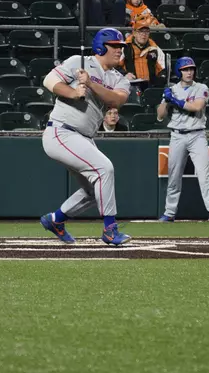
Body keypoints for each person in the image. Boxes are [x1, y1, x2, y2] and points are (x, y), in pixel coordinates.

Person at [39, 28, 132, 246]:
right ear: (100, 47)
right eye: (114, 46)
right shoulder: (78, 62)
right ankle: (110, 230)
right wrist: (73, 93)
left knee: (92, 192)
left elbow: (116, 101)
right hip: (61, 131)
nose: (119, 50)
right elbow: (49, 81)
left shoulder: (119, 79)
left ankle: (56, 220)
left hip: (84, 137)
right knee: (105, 168)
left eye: (121, 47)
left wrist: (90, 84)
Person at [157, 57, 209, 222]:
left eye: (191, 69)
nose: (189, 72)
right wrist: (165, 100)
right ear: (179, 72)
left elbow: (197, 107)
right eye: (185, 69)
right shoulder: (173, 89)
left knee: (204, 175)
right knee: (174, 176)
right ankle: (169, 212)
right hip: (177, 136)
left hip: (197, 135)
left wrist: (175, 100)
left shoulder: (201, 87)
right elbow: (160, 115)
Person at [119, 17, 167, 87]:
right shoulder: (125, 47)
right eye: (140, 31)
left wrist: (158, 82)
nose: (144, 34)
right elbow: (115, 66)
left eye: (146, 31)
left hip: (150, 87)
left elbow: (162, 70)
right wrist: (124, 74)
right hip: (130, 86)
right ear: (134, 33)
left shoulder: (155, 48)